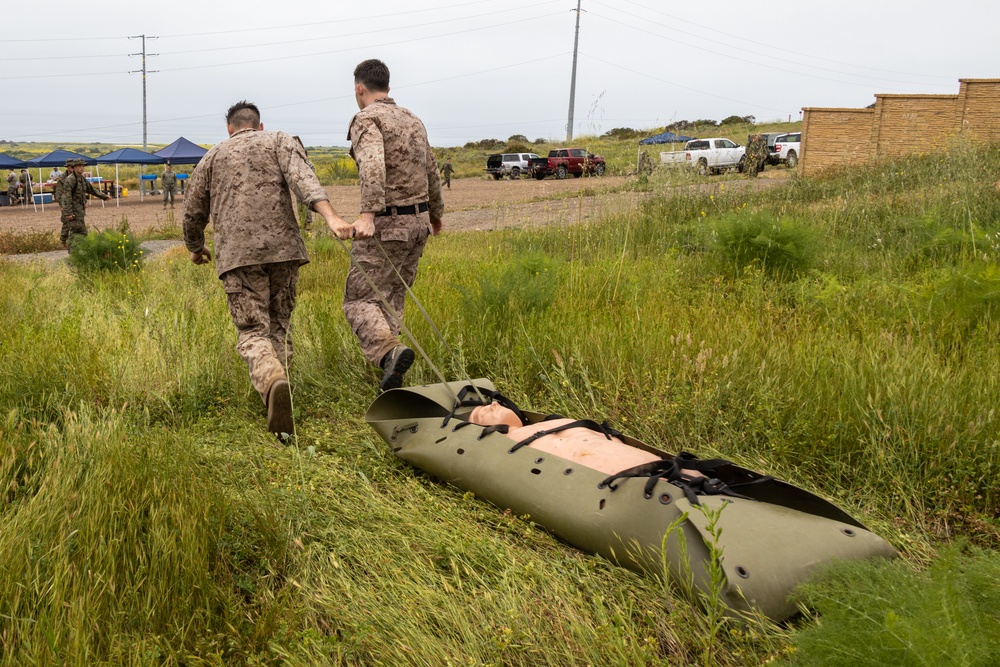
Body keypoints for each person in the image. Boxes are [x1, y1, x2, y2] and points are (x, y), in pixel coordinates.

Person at [183, 100, 354, 438]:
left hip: (238, 254)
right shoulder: (279, 140)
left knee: (252, 330)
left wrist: (195, 247)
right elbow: (305, 181)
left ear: (230, 129)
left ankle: (271, 380)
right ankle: (282, 412)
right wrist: (331, 217)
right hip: (285, 250)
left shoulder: (213, 156)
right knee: (279, 322)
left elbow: (192, 211)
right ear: (259, 126)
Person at [343, 58, 445, 391]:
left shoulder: (366, 119)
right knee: (392, 298)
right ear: (387, 86)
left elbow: (372, 165)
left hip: (388, 223)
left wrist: (368, 215)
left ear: (360, 88)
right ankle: (390, 376)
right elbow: (431, 169)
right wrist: (436, 214)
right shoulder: (413, 119)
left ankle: (389, 354)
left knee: (360, 301)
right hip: (418, 224)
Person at [468, 400, 663, 476]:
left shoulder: (550, 422)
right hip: (630, 477)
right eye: (483, 413)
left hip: (652, 462)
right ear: (488, 429)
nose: (493, 403)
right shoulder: (507, 443)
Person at [59, 158, 109, 247]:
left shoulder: (81, 178)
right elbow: (66, 196)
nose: (82, 168)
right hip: (73, 211)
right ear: (74, 167)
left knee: (79, 231)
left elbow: (91, 189)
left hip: (79, 210)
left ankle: (74, 249)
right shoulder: (70, 180)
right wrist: (68, 212)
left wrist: (104, 197)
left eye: (83, 166)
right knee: (78, 231)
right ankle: (73, 250)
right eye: (79, 166)